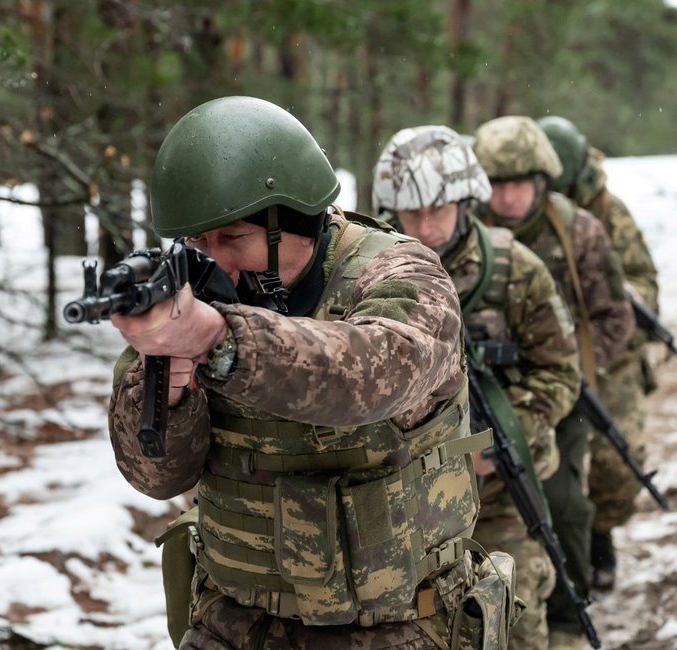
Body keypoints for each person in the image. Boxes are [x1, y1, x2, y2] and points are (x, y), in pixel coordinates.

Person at [106, 96, 518, 650]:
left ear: (294, 219)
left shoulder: (402, 274)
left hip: (399, 627)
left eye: (234, 239)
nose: (217, 262)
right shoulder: (193, 298)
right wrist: (167, 378)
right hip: (234, 623)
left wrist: (219, 340)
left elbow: (371, 378)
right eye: (198, 242)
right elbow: (156, 478)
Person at [372, 125, 582, 650]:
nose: (423, 225)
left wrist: (493, 441)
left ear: (465, 202)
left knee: (513, 613)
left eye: (436, 210)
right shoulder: (366, 272)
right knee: (418, 623)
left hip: (501, 489)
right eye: (408, 212)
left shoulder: (515, 271)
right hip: (401, 495)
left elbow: (559, 372)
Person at [472, 116, 635, 650]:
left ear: (542, 181)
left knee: (562, 507)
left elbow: (615, 316)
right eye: (497, 183)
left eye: (520, 183)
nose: (509, 196)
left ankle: (567, 615)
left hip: (557, 395)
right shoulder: (464, 233)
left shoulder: (578, 230)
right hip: (475, 398)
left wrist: (568, 369)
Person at [538, 115, 660, 591]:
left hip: (610, 352)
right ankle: (564, 548)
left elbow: (645, 281)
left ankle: (601, 532)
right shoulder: (527, 211)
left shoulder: (609, 212)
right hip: (549, 350)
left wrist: (616, 295)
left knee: (615, 463)